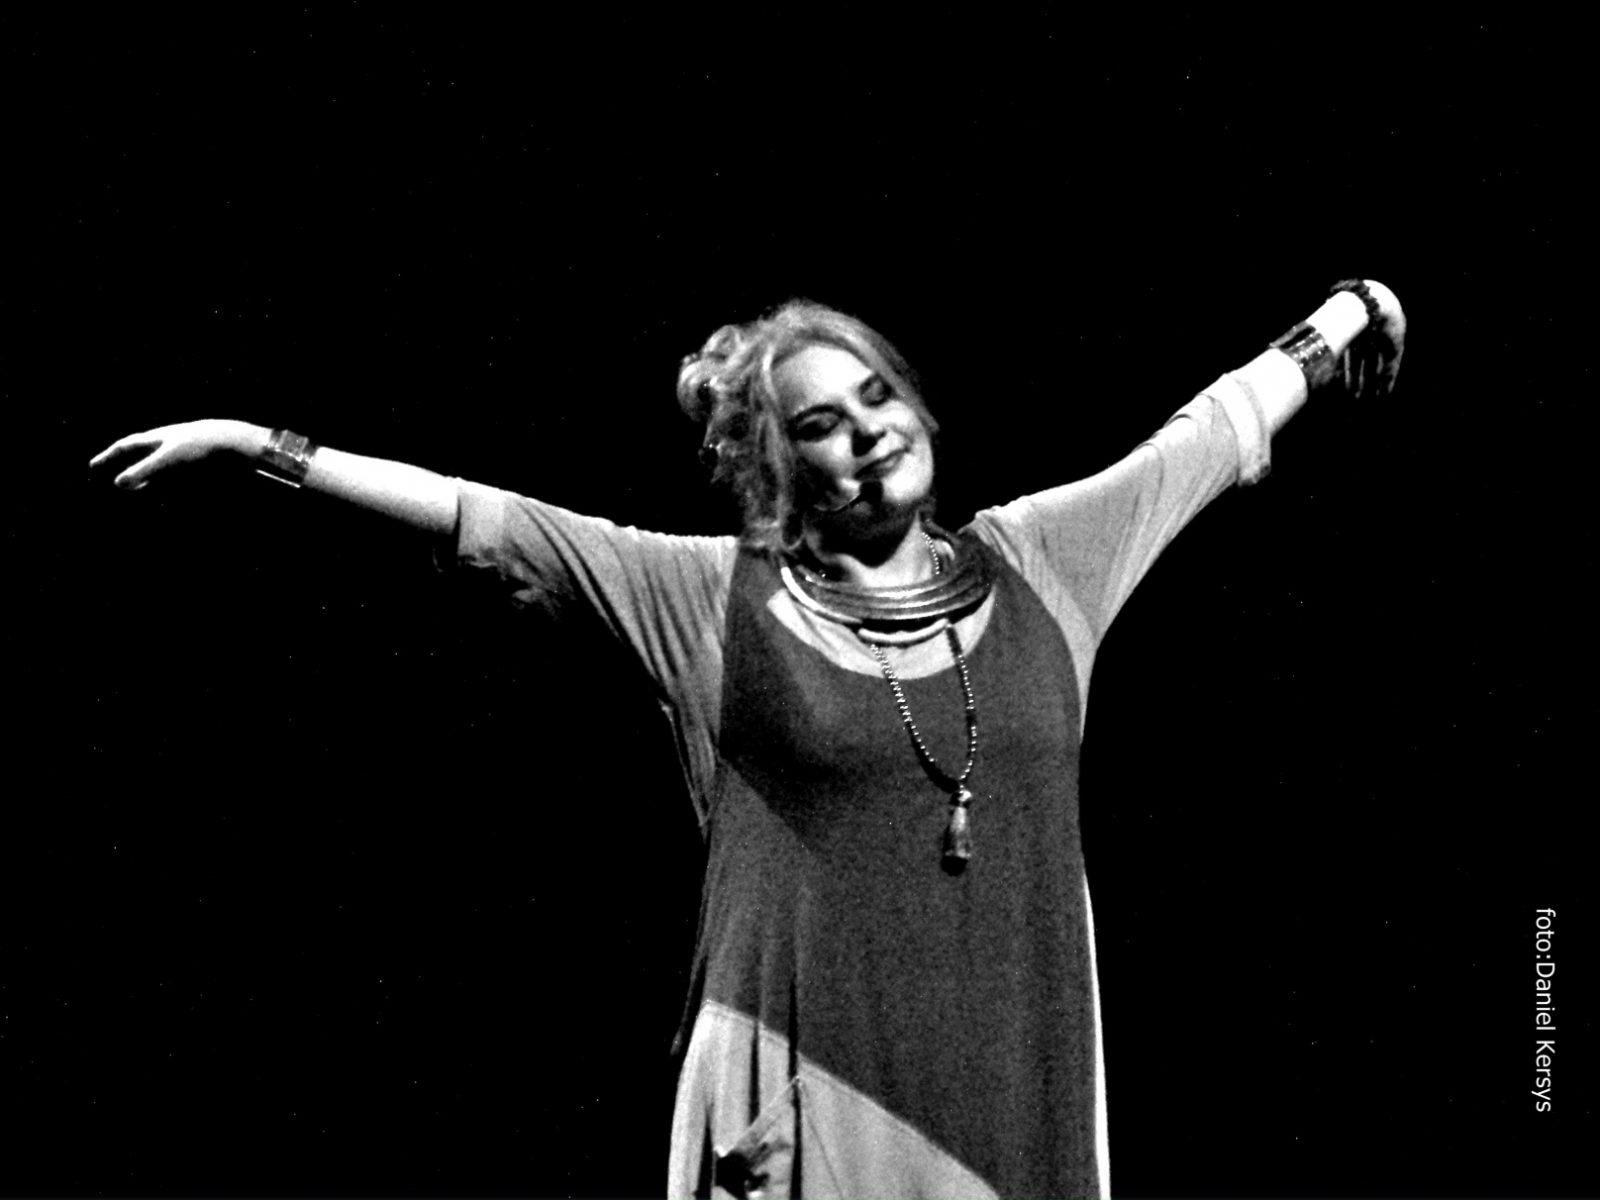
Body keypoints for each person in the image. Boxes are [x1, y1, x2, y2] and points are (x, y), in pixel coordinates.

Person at [90, 281, 1406, 1199]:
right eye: (820, 423)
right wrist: (260, 447)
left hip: (1014, 1083)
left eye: (878, 395)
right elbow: (483, 519)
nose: (867, 430)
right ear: (778, 472)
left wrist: (1346, 315)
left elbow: (1203, 436)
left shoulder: (1044, 560)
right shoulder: (712, 601)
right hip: (805, 1095)